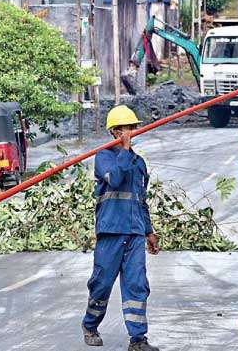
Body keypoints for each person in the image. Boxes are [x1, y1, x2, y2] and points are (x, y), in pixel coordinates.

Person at [82, 105, 160, 351]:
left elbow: (141, 199)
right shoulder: (103, 157)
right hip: (111, 231)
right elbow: (115, 179)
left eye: (134, 127)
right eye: (129, 128)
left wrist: (148, 231)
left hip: (135, 232)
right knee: (102, 283)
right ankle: (90, 324)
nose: (134, 132)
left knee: (137, 284)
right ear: (116, 132)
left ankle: (138, 339)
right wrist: (124, 150)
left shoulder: (139, 163)